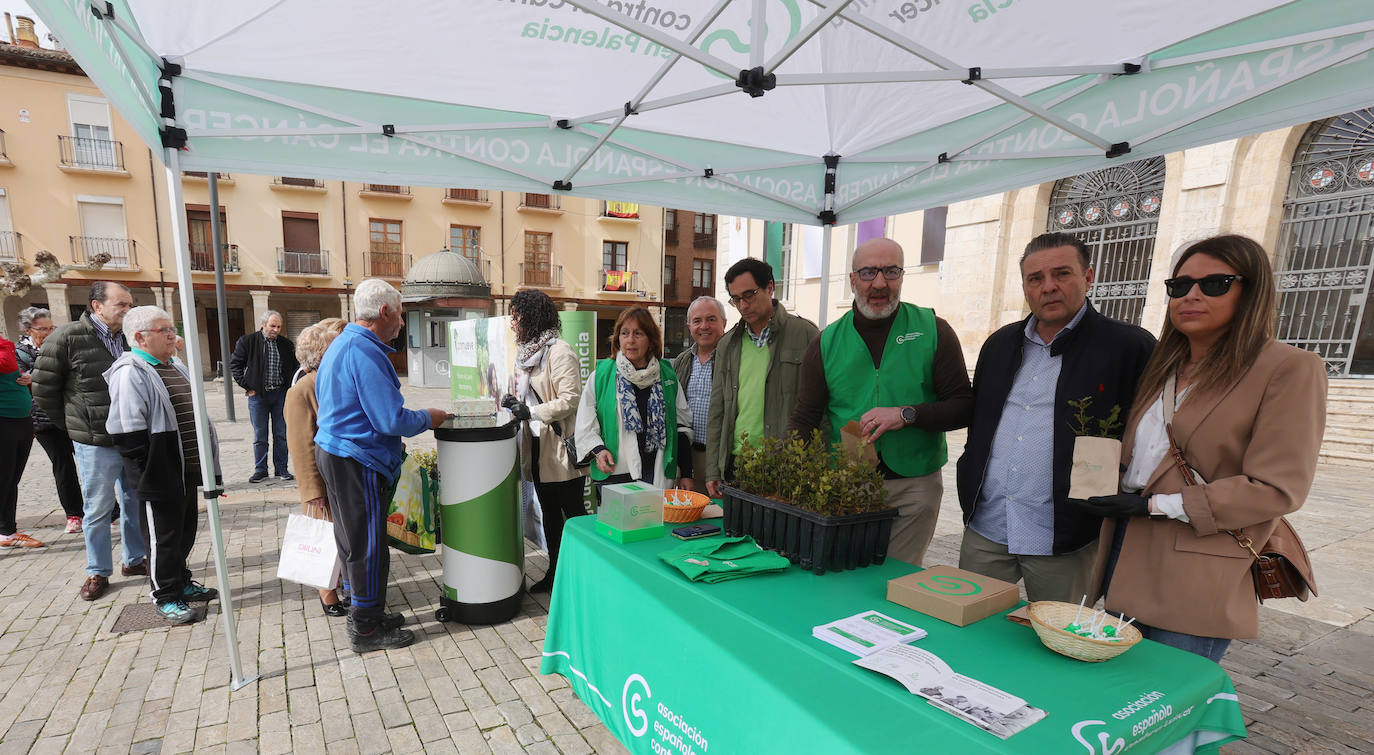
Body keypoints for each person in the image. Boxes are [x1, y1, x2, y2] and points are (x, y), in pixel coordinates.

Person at [1082, 235, 1327, 662]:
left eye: (1214, 284)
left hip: (1200, 558)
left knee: (1166, 700)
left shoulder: (1287, 368)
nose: (1191, 295)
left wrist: (1157, 506)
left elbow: (1277, 488)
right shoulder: (1166, 365)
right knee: (1122, 695)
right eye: (1179, 286)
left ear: (1250, 292)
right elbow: (1146, 456)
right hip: (1127, 543)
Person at [956, 232, 1155, 602]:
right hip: (988, 527)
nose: (1048, 287)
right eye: (1036, 279)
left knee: (1059, 645)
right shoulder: (1000, 344)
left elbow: (1151, 433)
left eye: (1062, 274)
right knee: (968, 630)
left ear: (1089, 277)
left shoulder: (1129, 346)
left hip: (1067, 536)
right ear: (1025, 287)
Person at [789, 238, 972, 566]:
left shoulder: (933, 330)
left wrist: (907, 414)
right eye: (868, 272)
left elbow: (963, 406)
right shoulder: (826, 341)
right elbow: (805, 415)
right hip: (849, 480)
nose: (879, 283)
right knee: (846, 574)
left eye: (890, 271)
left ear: (902, 276)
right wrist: (789, 475)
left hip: (915, 486)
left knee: (897, 579)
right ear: (852, 279)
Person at [314, 279, 448, 653]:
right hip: (356, 460)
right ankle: (366, 630)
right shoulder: (364, 351)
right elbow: (390, 419)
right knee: (368, 545)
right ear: (385, 312)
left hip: (340, 454)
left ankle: (366, 613)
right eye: (402, 314)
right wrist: (430, 416)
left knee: (354, 542)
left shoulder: (346, 343)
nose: (403, 323)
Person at [105, 306, 221, 624]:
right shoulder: (131, 371)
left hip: (184, 468)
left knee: (183, 532)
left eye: (172, 329)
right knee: (162, 537)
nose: (174, 335)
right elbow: (127, 434)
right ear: (140, 337)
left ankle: (181, 581)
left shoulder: (173, 365)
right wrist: (148, 476)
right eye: (165, 330)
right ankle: (165, 595)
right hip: (160, 472)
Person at [32, 282, 148, 601]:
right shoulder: (67, 337)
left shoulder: (130, 338)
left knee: (134, 501)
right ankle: (97, 571)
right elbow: (42, 389)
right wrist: (74, 425)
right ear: (97, 306)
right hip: (94, 441)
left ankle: (134, 560)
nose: (128, 310)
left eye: (130, 304)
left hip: (131, 437)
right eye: (121, 304)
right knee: (97, 508)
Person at [705, 259, 818, 498]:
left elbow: (822, 406)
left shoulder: (805, 334)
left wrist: (817, 462)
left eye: (749, 295)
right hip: (737, 464)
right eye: (736, 299)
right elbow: (717, 410)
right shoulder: (728, 344)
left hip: (787, 465)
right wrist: (713, 468)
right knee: (738, 535)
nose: (743, 305)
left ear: (770, 288)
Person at [500, 290, 588, 593]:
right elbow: (528, 396)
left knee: (574, 514)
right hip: (536, 448)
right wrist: (515, 402)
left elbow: (570, 399)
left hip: (561, 447)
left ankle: (585, 573)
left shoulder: (560, 351)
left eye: (517, 316)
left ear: (532, 316)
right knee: (550, 514)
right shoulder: (526, 353)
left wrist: (531, 410)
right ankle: (556, 571)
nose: (513, 323)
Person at [575, 306, 693, 492]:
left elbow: (681, 426)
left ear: (651, 340)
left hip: (656, 473)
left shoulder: (667, 376)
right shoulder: (601, 376)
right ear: (617, 338)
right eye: (624, 333)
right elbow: (585, 423)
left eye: (638, 333)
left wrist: (686, 472)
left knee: (655, 521)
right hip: (615, 474)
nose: (630, 340)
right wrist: (598, 450)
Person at [284, 317, 349, 616]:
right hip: (321, 482)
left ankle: (344, 588)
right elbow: (300, 446)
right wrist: (312, 491)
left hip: (340, 478)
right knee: (324, 539)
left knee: (341, 537)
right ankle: (327, 595)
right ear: (321, 354)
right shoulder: (301, 391)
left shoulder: (330, 382)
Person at [15, 307, 84, 533]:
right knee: (63, 466)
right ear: (28, 329)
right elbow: (21, 379)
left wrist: (36, 376)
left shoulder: (60, 346)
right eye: (42, 329)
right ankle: (74, 514)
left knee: (89, 461)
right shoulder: (19, 352)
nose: (48, 332)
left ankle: (110, 509)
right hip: (42, 419)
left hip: (71, 413)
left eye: (50, 328)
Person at [230, 310, 298, 483]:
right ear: (263, 325)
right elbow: (235, 365)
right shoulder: (248, 341)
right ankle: (260, 470)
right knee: (260, 435)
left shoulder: (286, 344)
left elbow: (294, 367)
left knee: (281, 434)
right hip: (258, 396)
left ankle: (281, 469)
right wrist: (247, 386)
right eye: (272, 326)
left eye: (279, 326)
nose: (276, 329)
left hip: (280, 395)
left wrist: (291, 388)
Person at [672, 296, 726, 494]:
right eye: (697, 321)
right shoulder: (681, 361)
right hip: (688, 457)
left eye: (711, 319)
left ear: (724, 323)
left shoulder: (733, 360)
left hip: (720, 458)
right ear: (689, 326)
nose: (704, 326)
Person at [1, 332, 41, 549]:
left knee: (11, 479)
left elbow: (10, 371)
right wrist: (5, 345)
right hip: (3, 420)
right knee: (3, 480)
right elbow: (6, 363)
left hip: (20, 419)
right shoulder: (5, 347)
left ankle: (7, 532)